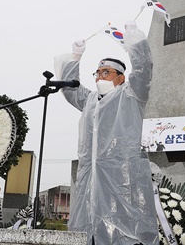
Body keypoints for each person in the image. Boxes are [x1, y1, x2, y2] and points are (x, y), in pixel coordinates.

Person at [55, 21, 159, 245]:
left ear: (121, 77)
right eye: (98, 73)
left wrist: (133, 40)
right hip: (89, 186)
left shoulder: (132, 95)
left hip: (122, 185)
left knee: (123, 235)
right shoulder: (91, 100)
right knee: (87, 235)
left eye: (106, 72)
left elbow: (143, 71)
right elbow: (70, 90)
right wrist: (75, 57)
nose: (100, 77)